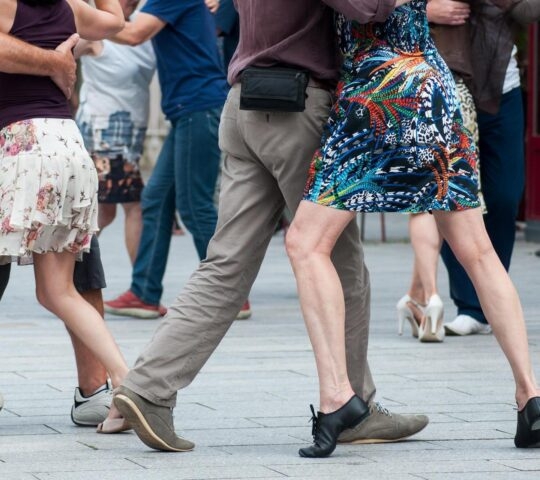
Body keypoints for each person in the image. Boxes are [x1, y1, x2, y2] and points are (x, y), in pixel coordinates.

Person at [111, 0, 429, 455]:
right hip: (296, 106)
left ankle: (147, 388)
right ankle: (352, 403)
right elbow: (368, 8)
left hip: (244, 104)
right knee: (341, 264)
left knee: (225, 264)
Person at [285, 0, 540, 456]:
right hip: (433, 88)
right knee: (478, 251)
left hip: (379, 91)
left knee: (306, 243)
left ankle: (336, 398)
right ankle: (531, 396)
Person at [0, 0, 131, 434]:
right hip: (69, 145)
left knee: (55, 290)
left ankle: (110, 388)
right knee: (58, 291)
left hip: (22, 147)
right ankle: (131, 386)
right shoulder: (71, 8)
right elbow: (115, 21)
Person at [103, 0, 229, 320]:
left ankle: (230, 293)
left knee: (194, 206)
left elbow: (133, 34)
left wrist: (90, 19)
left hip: (198, 107)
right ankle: (144, 293)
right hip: (189, 111)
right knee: (156, 199)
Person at [440, 0, 540, 336]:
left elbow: (531, 10)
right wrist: (425, 9)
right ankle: (470, 305)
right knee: (453, 196)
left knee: (505, 195)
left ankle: (493, 296)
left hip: (503, 87)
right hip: (445, 85)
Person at [396, 0, 479, 343]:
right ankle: (424, 296)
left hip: (401, 82)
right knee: (446, 197)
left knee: (423, 200)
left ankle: (422, 297)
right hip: (447, 85)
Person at [75, 0, 156, 266]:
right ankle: (142, 286)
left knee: (104, 214)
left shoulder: (145, 29)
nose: (129, 2)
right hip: (104, 138)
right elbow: (59, 52)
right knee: (136, 206)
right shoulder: (94, 35)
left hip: (131, 137)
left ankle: (66, 266)